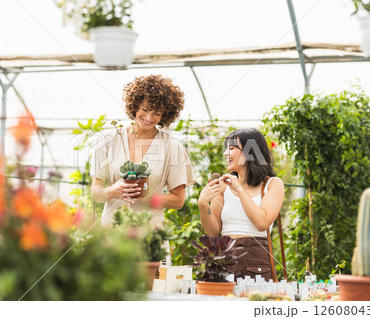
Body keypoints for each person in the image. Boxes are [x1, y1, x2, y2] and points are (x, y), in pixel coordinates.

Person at [91, 74, 195, 226]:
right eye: (145, 109)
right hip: (113, 233)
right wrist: (112, 191)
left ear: (165, 114)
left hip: (150, 235)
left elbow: (178, 200)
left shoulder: (172, 146)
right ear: (135, 105)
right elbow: (96, 192)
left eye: (157, 113)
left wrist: (144, 198)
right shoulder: (108, 139)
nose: (149, 117)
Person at [198, 128, 284, 280]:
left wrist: (239, 188)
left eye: (231, 149)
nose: (226, 153)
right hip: (224, 255)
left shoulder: (272, 184)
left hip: (256, 258)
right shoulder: (224, 187)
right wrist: (203, 205)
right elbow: (213, 231)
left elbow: (262, 223)